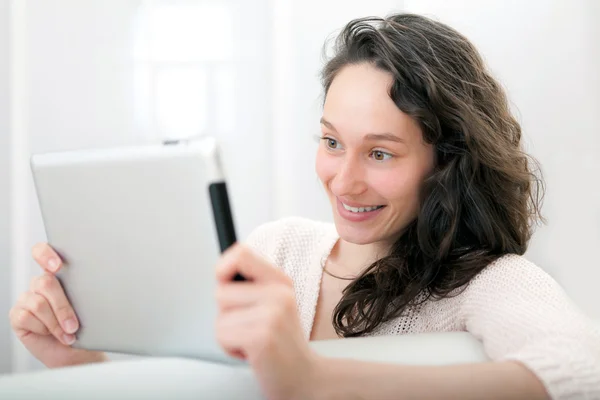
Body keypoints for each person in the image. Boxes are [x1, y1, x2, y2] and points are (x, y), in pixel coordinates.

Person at [9, 12, 600, 400]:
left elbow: (582, 371)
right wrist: (72, 361)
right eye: (332, 142)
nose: (344, 181)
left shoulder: (486, 283)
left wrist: (309, 375)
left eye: (381, 154)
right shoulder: (276, 250)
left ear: (446, 162)